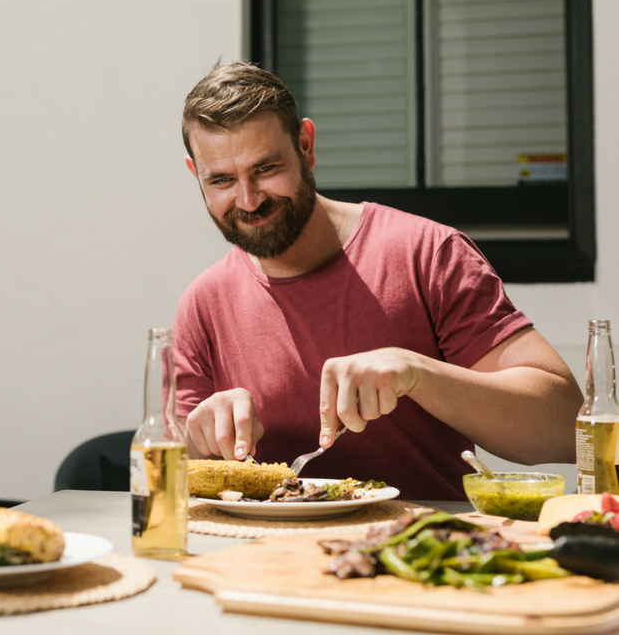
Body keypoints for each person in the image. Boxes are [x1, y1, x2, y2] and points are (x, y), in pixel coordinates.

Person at [174, 61, 582, 501]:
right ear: (197, 176)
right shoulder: (203, 303)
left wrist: (419, 373)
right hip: (269, 559)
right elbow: (177, 474)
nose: (249, 200)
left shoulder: (427, 254)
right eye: (222, 181)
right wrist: (198, 441)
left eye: (266, 168)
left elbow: (566, 428)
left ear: (306, 146)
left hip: (422, 553)